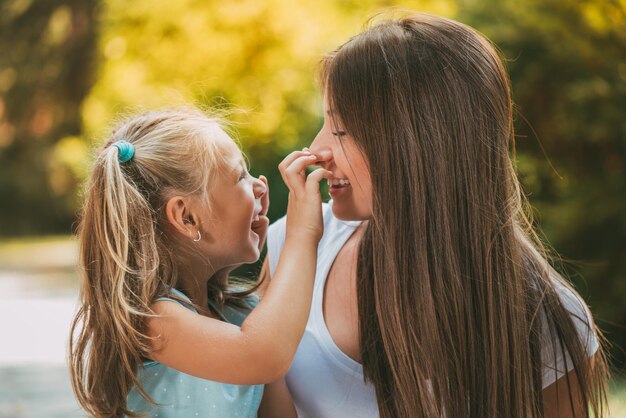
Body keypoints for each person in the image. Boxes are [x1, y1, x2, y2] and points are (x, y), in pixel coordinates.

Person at [263, 12, 608, 418]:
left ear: (420, 144)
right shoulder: (291, 244)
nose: (317, 149)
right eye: (326, 123)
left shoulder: (544, 316)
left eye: (341, 129)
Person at [69, 107, 329, 417]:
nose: (260, 185)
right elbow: (263, 354)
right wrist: (302, 234)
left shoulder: (240, 317)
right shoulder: (151, 320)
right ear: (188, 218)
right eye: (240, 177)